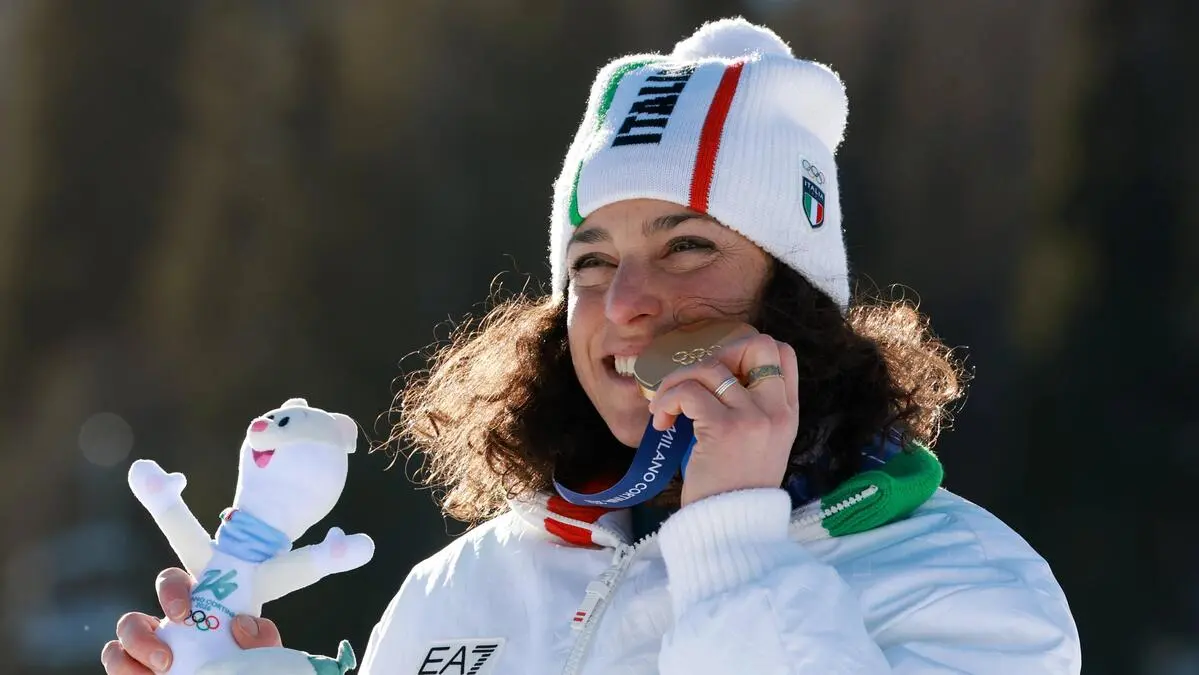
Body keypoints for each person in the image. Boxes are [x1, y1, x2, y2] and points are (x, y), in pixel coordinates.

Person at [102, 16, 1081, 675]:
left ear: (797, 300)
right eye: (591, 262)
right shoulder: (468, 581)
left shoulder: (967, 587)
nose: (626, 303)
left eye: (687, 247)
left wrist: (732, 539)